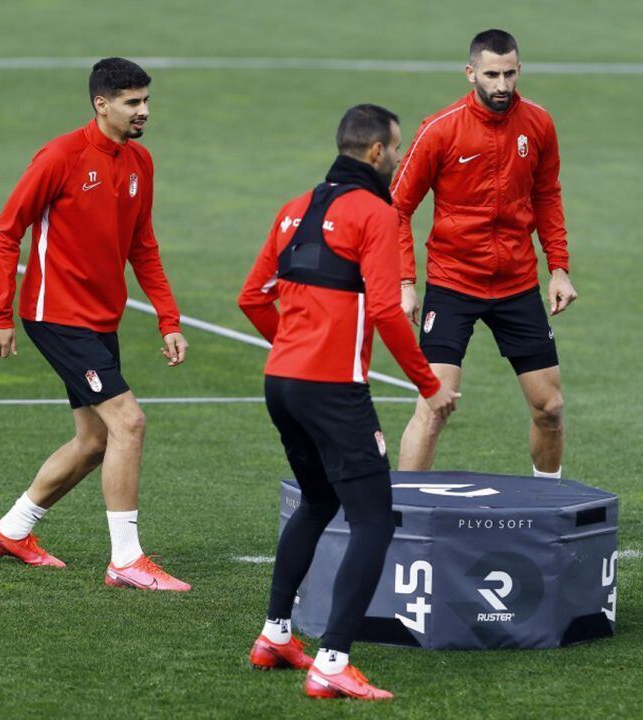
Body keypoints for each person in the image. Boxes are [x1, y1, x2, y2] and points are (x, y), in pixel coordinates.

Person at [238, 104, 458, 701]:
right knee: (372, 520)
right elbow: (387, 310)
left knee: (316, 501)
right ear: (377, 153)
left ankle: (275, 635)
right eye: (398, 148)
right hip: (333, 391)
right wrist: (429, 386)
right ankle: (332, 661)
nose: (401, 157)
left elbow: (251, 298)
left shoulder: (293, 209)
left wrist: (291, 346)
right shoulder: (376, 213)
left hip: (280, 384)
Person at [0, 57, 191, 592]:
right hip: (57, 315)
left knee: (96, 438)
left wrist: (168, 318)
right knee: (129, 422)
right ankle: (125, 559)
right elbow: (8, 232)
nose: (144, 110)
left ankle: (11, 530)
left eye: (146, 100)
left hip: (101, 319)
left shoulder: (140, 161)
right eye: (132, 102)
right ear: (102, 104)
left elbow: (143, 246)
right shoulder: (61, 156)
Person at [392, 29, 577, 476]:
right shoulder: (439, 129)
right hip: (453, 284)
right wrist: (405, 283)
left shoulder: (539, 124)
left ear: (520, 70)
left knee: (550, 407)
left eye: (509, 73)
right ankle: (399, 520)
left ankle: (545, 502)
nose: (501, 85)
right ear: (471, 71)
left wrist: (559, 269)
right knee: (435, 408)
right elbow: (396, 208)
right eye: (491, 74)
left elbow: (547, 197)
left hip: (516, 285)